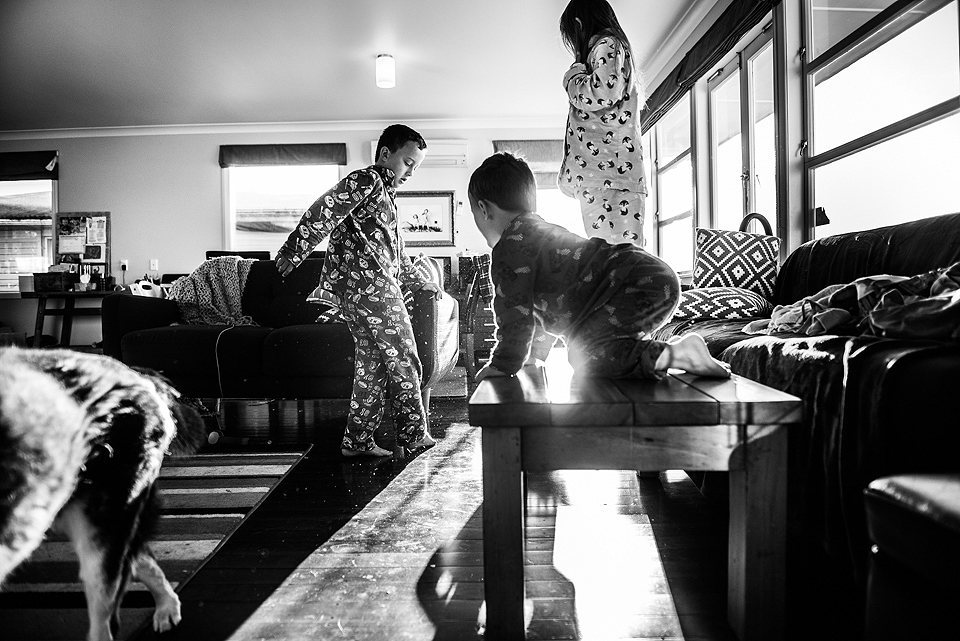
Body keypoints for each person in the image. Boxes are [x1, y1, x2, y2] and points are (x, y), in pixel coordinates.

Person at [468, 152, 729, 383]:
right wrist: (531, 357)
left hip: (635, 281)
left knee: (586, 357)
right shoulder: (536, 233)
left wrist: (503, 365)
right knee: (586, 348)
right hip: (645, 275)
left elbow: (514, 313)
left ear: (483, 209)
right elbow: (534, 315)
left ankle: (675, 354)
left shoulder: (510, 247)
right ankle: (659, 355)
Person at [275, 124, 440, 457]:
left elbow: (396, 253)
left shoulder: (385, 197)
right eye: (408, 162)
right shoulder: (365, 180)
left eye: (416, 167)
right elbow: (325, 209)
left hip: (361, 294)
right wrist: (294, 250)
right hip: (373, 290)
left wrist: (416, 279)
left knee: (373, 368)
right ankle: (413, 435)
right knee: (406, 358)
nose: (411, 171)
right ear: (385, 154)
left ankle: (357, 441)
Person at [558, 0, 648, 247]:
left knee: (617, 259)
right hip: (606, 176)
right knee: (616, 258)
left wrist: (573, 78)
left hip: (608, 177)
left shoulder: (607, 45)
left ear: (578, 24)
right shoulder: (611, 50)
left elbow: (600, 92)